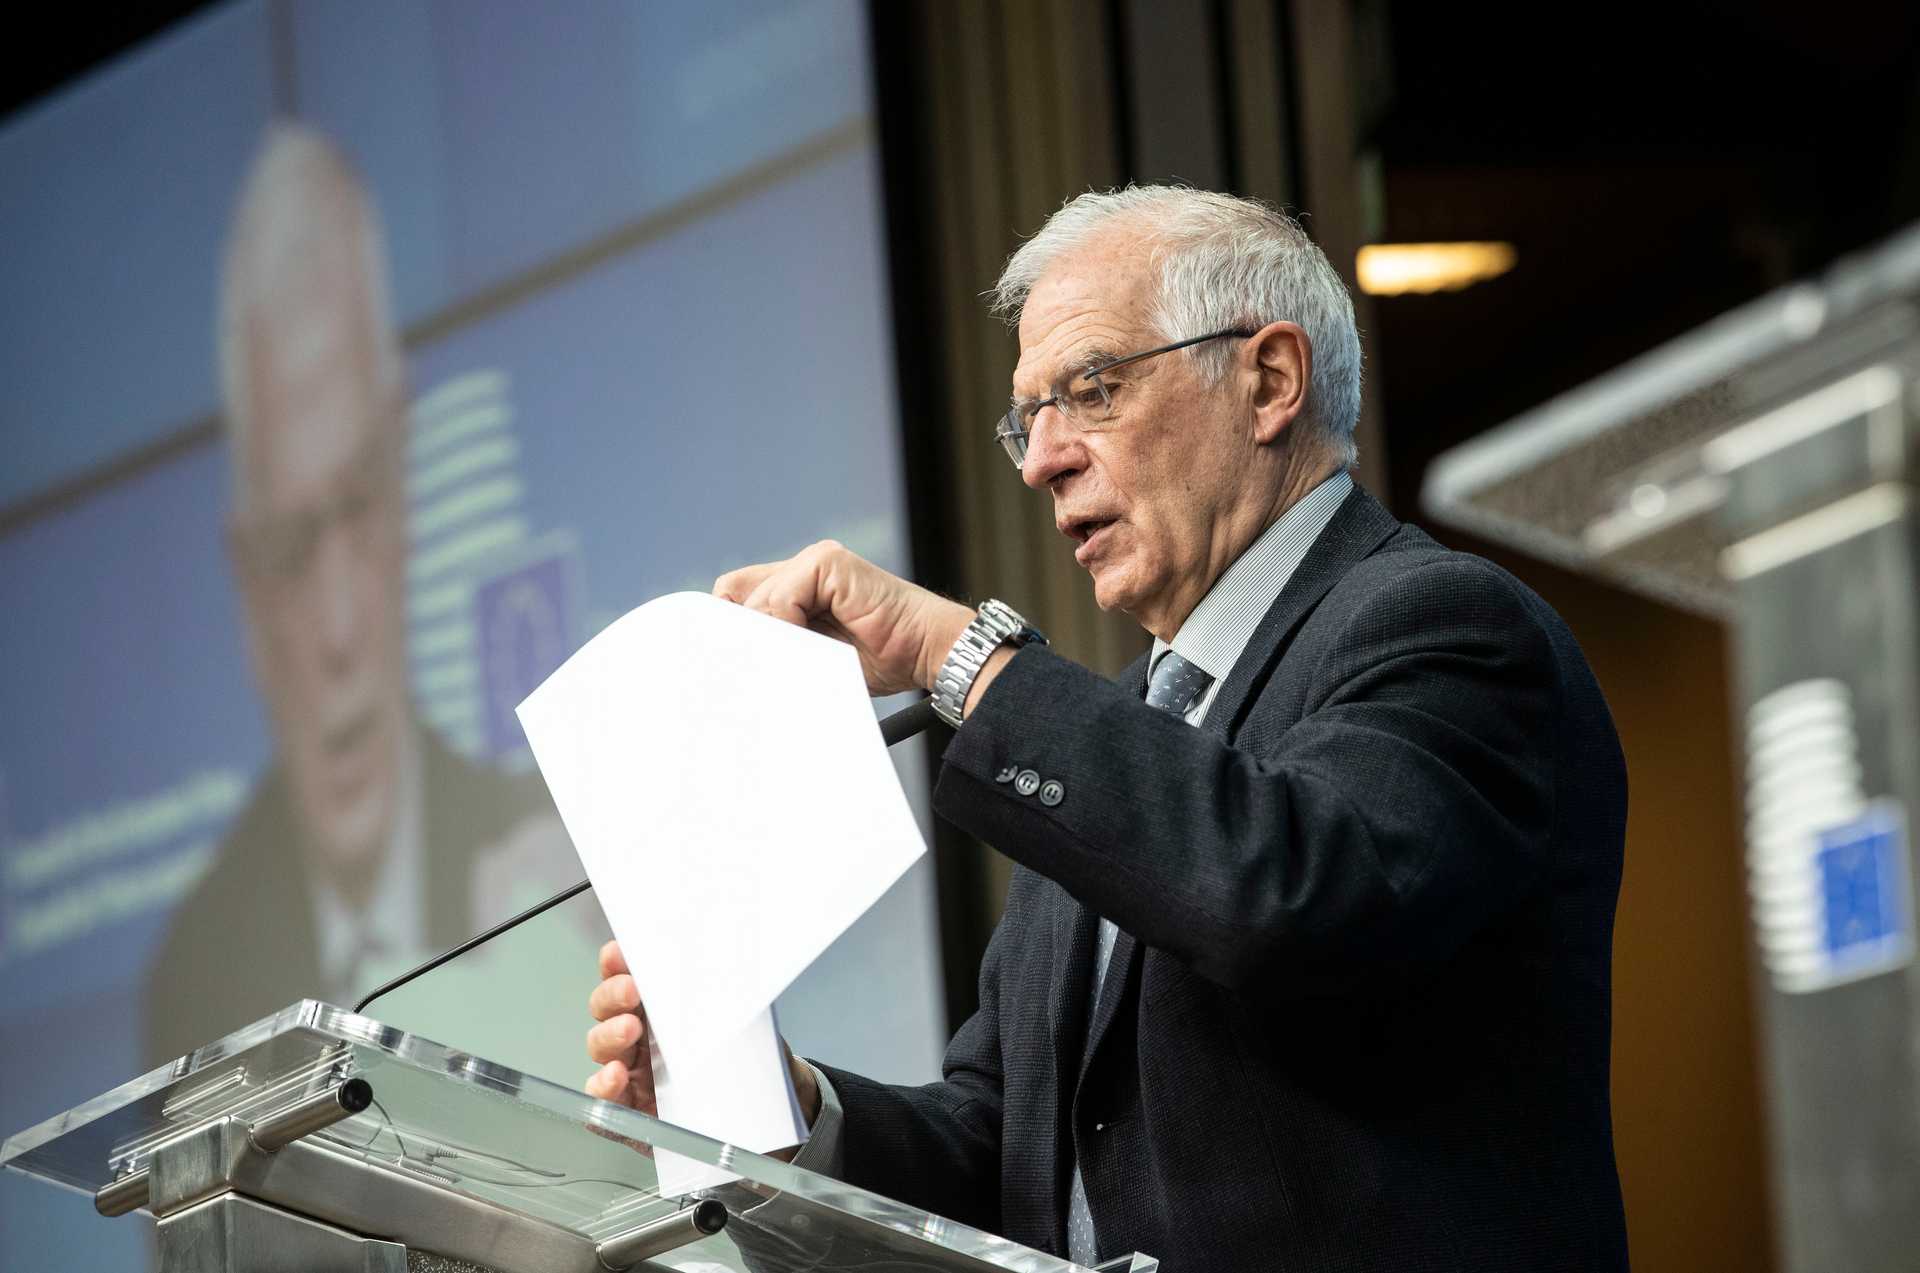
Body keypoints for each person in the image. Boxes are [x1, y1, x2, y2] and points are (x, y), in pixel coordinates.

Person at [585, 187, 1630, 1271]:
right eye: (1026, 418)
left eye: (1091, 390)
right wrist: (788, 1113)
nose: (1042, 459)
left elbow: (1293, 893)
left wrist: (958, 653)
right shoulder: (1115, 731)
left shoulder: (1445, 625)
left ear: (1270, 381)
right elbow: (1008, 1156)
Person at [144, 125, 563, 1064]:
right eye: (291, 550)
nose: (339, 627)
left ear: (407, 501)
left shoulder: (552, 873)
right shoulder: (191, 977)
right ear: (246, 589)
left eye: (360, 505)